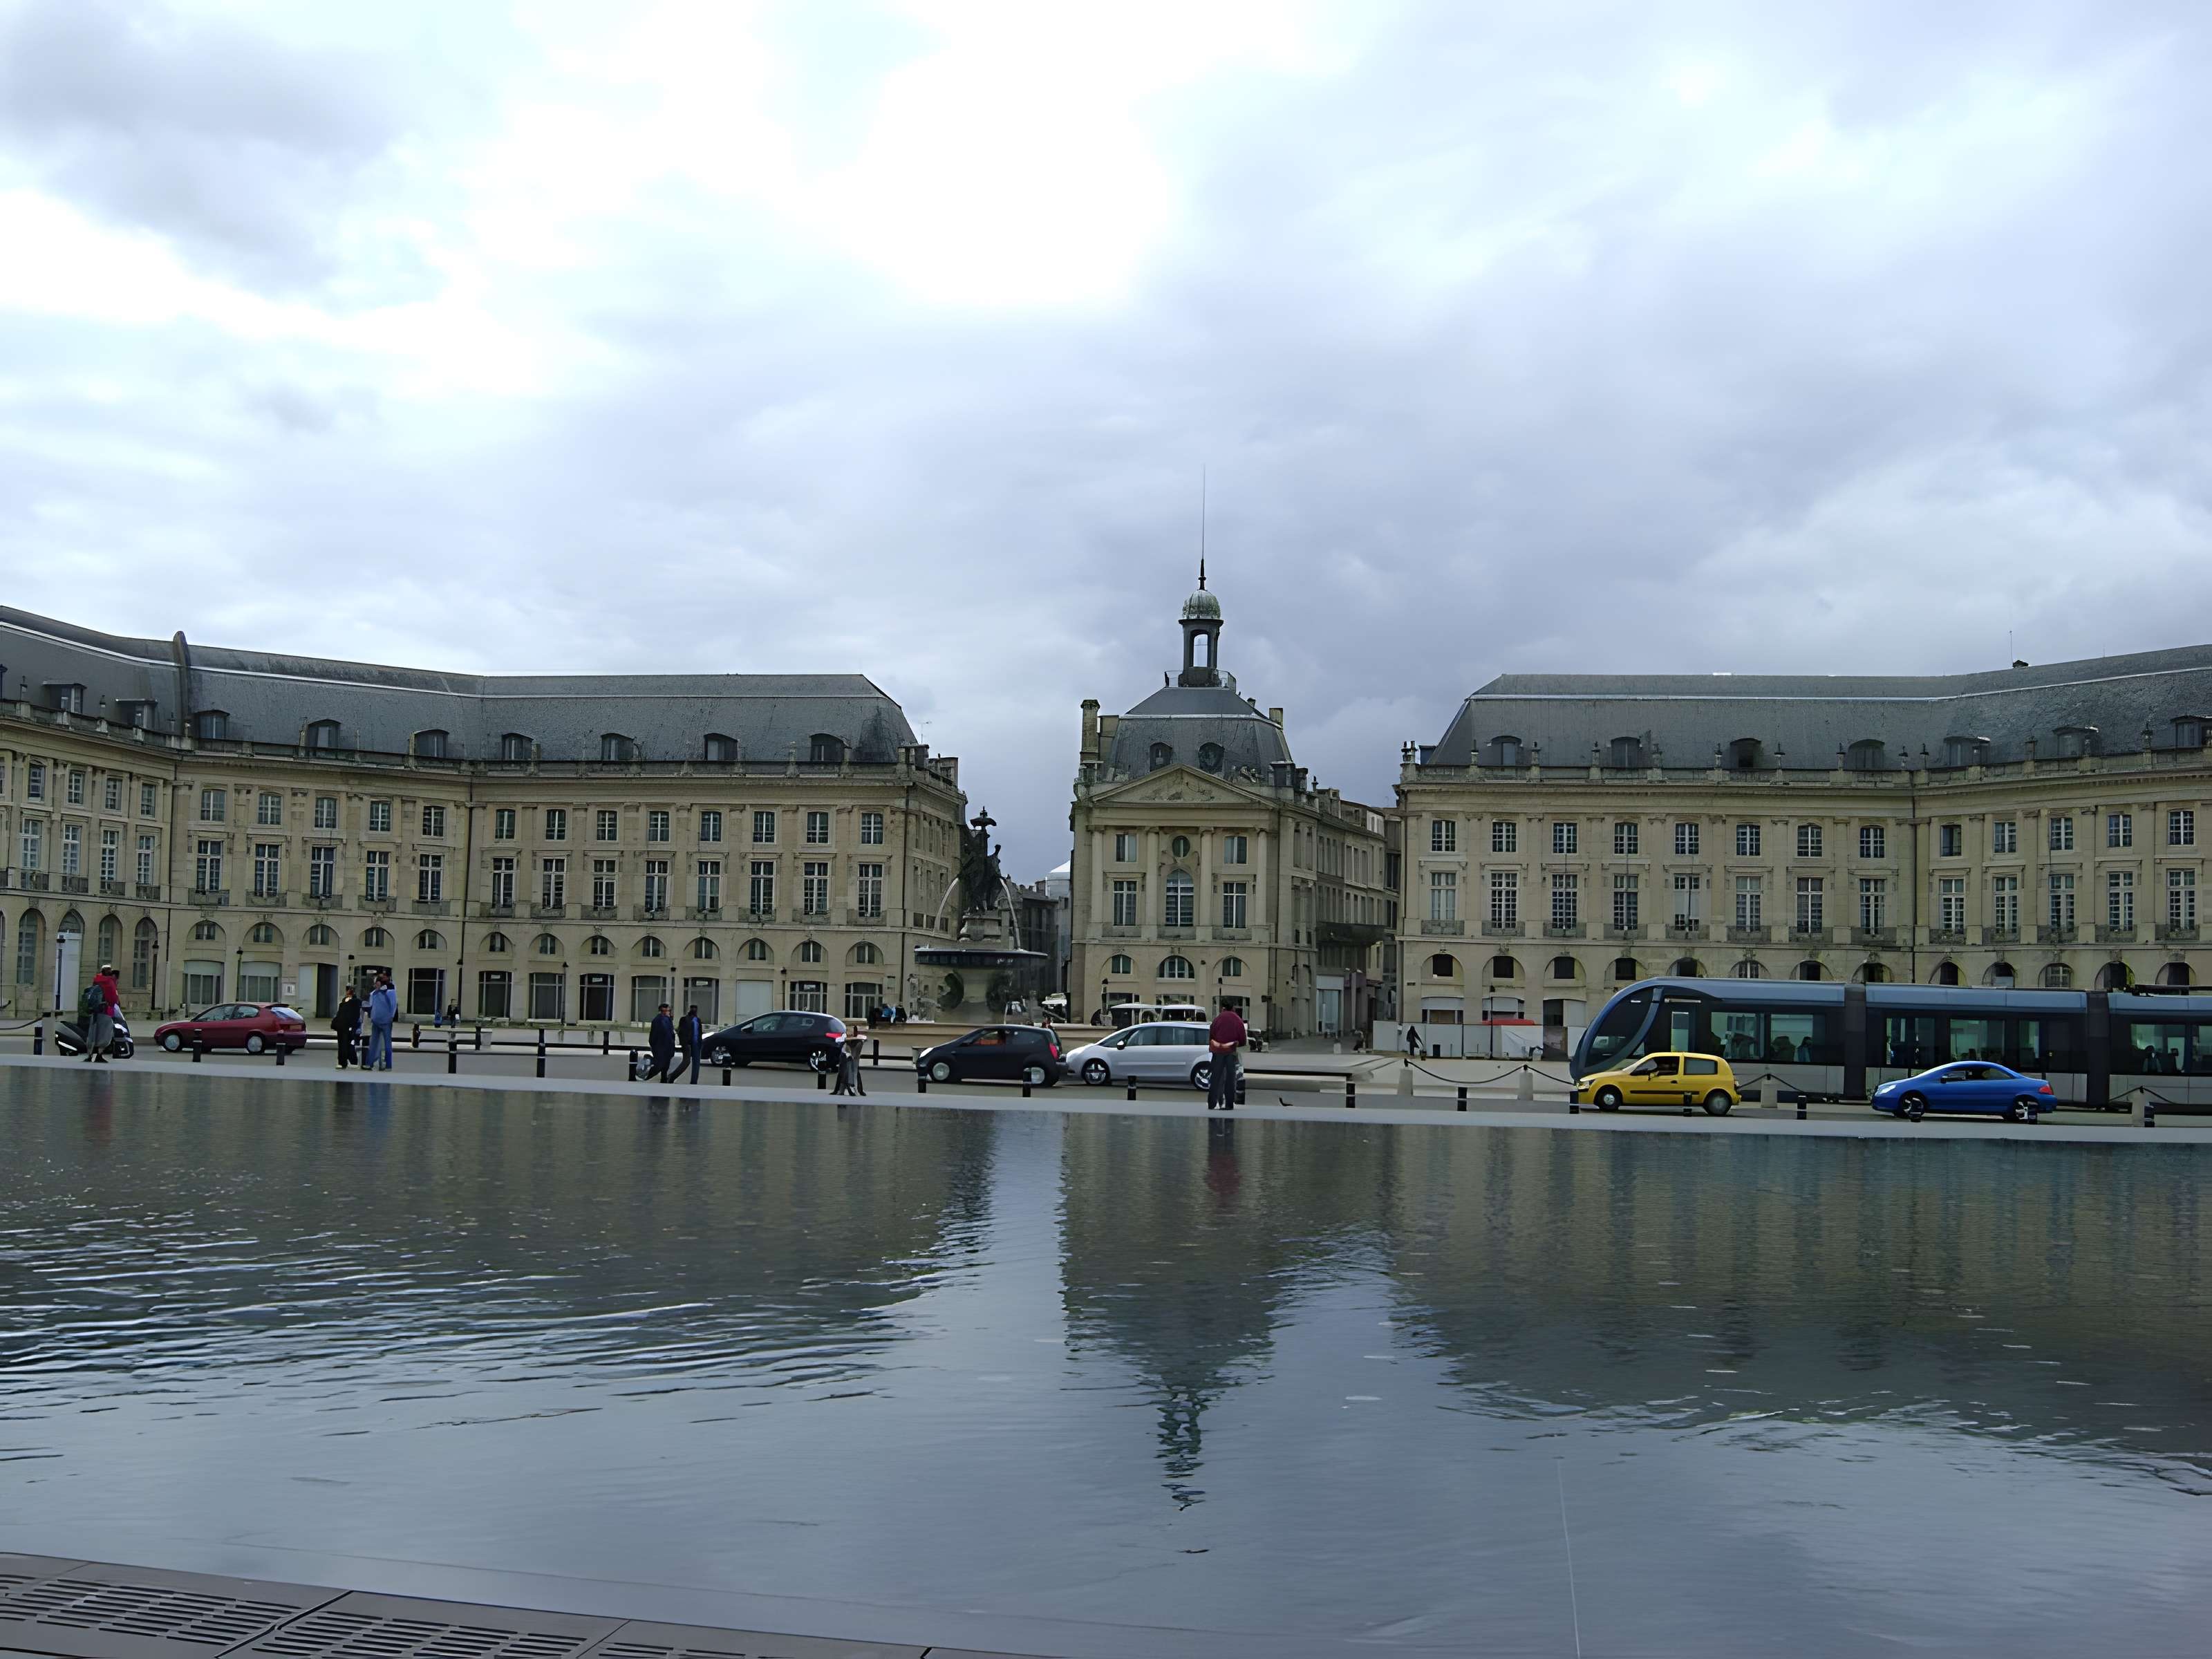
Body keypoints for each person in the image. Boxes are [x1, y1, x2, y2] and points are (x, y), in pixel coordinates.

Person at [1206, 1000, 1246, 1112]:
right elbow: (1243, 1038)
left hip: (1218, 1051)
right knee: (1230, 1078)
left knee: (1216, 1078)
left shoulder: (1218, 1019)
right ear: (1233, 1008)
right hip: (1230, 1051)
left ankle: (1212, 1103)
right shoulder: (1237, 1019)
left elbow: (1212, 1034)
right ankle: (1229, 1104)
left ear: (1223, 1008)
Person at [366, 974, 398, 1070]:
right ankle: (386, 1065)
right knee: (384, 1043)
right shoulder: (388, 993)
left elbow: (393, 1005)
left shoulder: (376, 994)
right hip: (383, 1020)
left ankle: (370, 1063)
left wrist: (391, 1016)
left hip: (380, 1020)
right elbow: (393, 1005)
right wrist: (391, 1016)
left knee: (375, 1043)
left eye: (377, 983)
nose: (376, 985)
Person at [643, 1003, 676, 1083]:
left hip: (661, 1047)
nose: (670, 1012)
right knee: (662, 1066)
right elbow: (670, 1035)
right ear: (664, 1011)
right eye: (669, 1010)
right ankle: (647, 1076)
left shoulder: (658, 1020)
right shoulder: (665, 1021)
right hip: (665, 1047)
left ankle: (659, 1078)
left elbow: (653, 1036)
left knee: (662, 1065)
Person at [333, 985, 363, 1069]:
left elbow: (356, 1015)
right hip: (345, 1025)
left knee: (346, 1043)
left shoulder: (354, 1001)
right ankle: (347, 1061)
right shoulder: (347, 1001)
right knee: (346, 1044)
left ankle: (346, 1061)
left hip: (347, 1025)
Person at [833, 1027, 867, 1097]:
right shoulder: (845, 1037)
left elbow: (857, 1051)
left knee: (854, 1072)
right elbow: (839, 1042)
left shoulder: (858, 1040)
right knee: (842, 1071)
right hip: (845, 1054)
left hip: (851, 1056)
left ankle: (857, 1089)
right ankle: (840, 1090)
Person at [677, 1004, 703, 1084]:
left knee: (696, 1063)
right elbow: (680, 1032)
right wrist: (683, 1043)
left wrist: (700, 1043)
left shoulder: (698, 1020)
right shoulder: (684, 1019)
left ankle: (694, 1081)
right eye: (692, 1009)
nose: (694, 1010)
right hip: (688, 1044)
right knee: (686, 1062)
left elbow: (700, 1033)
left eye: (695, 1009)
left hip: (697, 1044)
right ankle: (672, 1076)